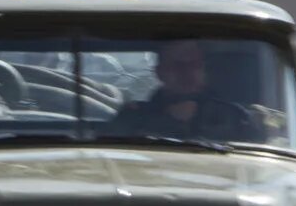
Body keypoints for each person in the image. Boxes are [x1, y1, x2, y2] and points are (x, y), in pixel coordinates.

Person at [105, 40, 259, 141]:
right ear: (160, 72)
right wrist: (168, 122)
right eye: (177, 66)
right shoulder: (133, 118)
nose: (187, 73)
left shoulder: (235, 118)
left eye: (194, 65)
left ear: (204, 70)